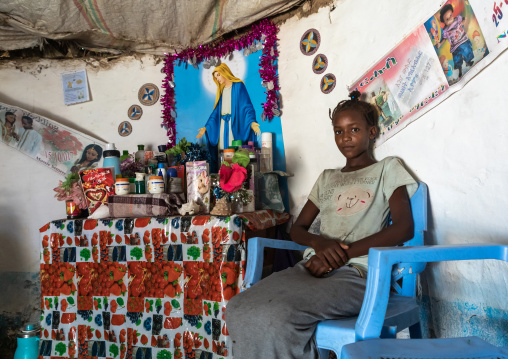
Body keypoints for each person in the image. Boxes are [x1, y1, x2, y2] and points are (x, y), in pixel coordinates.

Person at [225, 90, 418, 359]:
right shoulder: (328, 178)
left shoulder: (386, 169)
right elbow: (297, 229)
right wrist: (320, 244)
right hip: (312, 268)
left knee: (281, 315)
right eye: (338, 131)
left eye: (354, 129)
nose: (346, 137)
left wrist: (339, 256)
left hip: (359, 274)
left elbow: (403, 228)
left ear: (371, 132)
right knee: (238, 307)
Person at [196, 63, 261, 173]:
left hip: (233, 125)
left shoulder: (238, 86)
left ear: (224, 73)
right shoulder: (221, 91)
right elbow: (216, 112)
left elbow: (247, 106)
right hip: (222, 126)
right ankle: (224, 175)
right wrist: (206, 128)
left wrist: (252, 122)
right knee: (222, 151)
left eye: (218, 75)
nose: (217, 79)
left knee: (234, 151)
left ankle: (235, 175)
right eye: (215, 77)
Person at [436, 4, 474, 78]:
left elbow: (463, 20)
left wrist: (464, 21)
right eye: (447, 19)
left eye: (450, 15)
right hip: (455, 47)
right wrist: (440, 43)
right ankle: (459, 70)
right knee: (457, 59)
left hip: (463, 40)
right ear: (444, 22)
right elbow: (444, 39)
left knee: (467, 51)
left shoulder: (457, 19)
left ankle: (468, 62)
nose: (450, 18)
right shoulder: (445, 30)